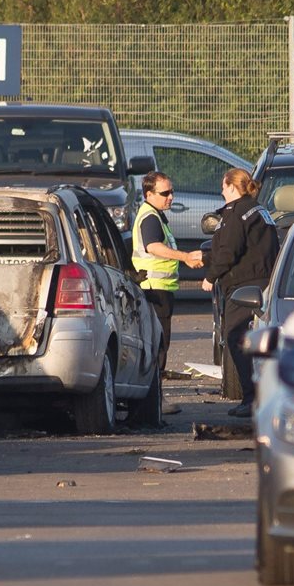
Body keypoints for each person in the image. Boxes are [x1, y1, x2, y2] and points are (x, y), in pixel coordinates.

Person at [194, 168, 279, 418]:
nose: (221, 191)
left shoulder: (235, 213)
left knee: (236, 338)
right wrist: (205, 257)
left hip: (243, 287)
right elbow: (247, 248)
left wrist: (211, 277)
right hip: (264, 283)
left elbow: (230, 251)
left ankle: (251, 399)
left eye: (223, 186)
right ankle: (262, 395)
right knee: (260, 342)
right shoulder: (258, 210)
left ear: (232, 186)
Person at [131, 171, 202, 415]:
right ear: (149, 194)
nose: (171, 197)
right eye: (165, 193)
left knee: (157, 345)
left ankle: (154, 398)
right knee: (158, 346)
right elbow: (153, 247)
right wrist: (185, 257)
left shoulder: (155, 215)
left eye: (172, 192)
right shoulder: (150, 217)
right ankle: (155, 401)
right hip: (155, 290)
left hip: (159, 289)